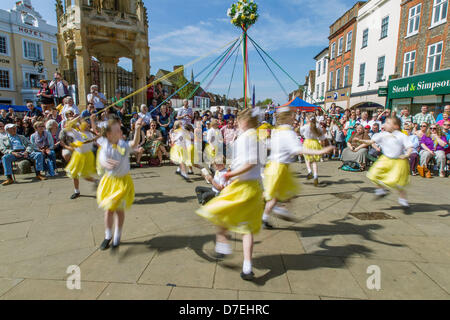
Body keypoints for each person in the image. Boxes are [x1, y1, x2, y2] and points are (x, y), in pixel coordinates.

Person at [196, 108, 264, 281]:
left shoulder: (247, 138)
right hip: (254, 188)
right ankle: (247, 267)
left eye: (239, 121)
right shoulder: (257, 138)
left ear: (245, 122)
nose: (237, 125)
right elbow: (256, 164)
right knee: (247, 229)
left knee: (219, 210)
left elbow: (250, 163)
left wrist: (230, 174)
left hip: (241, 186)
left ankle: (223, 246)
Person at [262, 108, 334, 229]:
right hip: (279, 168)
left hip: (275, 166)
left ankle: (266, 217)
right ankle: (278, 210)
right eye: (293, 116)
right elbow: (298, 150)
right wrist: (321, 151)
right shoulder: (288, 133)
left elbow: (269, 144)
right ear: (288, 117)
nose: (295, 118)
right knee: (282, 194)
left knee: (279, 194)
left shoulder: (278, 131)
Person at [96, 118, 144, 250]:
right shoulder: (105, 146)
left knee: (120, 211)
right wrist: (106, 163)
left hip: (123, 183)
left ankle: (117, 233)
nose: (121, 131)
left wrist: (137, 129)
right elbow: (102, 159)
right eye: (117, 130)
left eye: (120, 129)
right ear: (108, 135)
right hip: (110, 183)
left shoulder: (122, 144)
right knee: (109, 210)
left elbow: (134, 143)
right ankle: (108, 235)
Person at [356, 117, 413, 210]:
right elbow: (371, 141)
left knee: (397, 182)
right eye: (385, 122)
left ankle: (403, 199)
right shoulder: (382, 134)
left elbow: (409, 146)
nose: (384, 125)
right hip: (385, 159)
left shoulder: (401, 135)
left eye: (388, 123)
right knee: (373, 174)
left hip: (398, 161)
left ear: (396, 126)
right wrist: (360, 141)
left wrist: (407, 154)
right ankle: (381, 190)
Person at [64, 120, 98, 199]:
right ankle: (77, 191)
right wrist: (74, 119)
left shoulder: (89, 134)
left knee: (83, 175)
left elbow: (98, 134)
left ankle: (96, 181)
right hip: (78, 155)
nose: (86, 127)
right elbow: (67, 127)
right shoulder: (78, 133)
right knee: (74, 173)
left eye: (87, 126)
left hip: (86, 156)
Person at [300, 115, 327, 186]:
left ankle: (309, 171)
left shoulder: (305, 126)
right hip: (315, 143)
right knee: (314, 161)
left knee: (307, 159)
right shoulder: (317, 126)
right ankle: (315, 176)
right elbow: (322, 137)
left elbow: (301, 132)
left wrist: (302, 122)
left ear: (308, 119)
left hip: (307, 143)